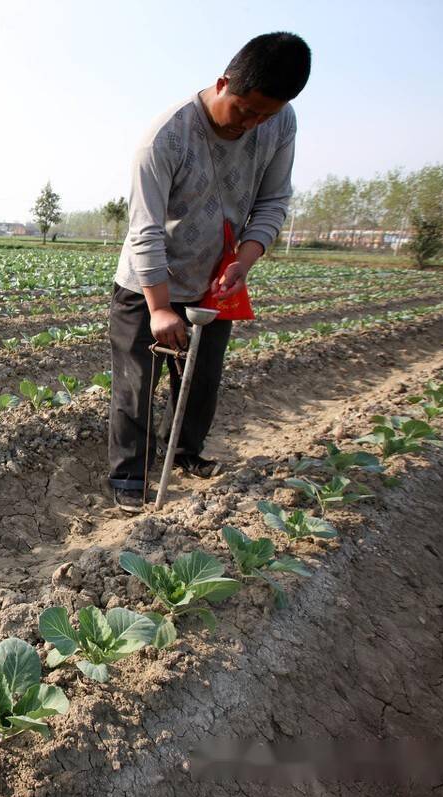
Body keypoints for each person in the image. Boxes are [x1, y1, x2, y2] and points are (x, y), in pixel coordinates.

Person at [108, 32, 311, 513]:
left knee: (200, 377)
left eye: (267, 114)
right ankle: (128, 476)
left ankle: (184, 453)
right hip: (147, 282)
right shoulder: (167, 136)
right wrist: (159, 307)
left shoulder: (280, 123)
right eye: (245, 110)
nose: (253, 123)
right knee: (138, 380)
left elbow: (273, 200)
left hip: (213, 277)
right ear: (223, 84)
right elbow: (145, 230)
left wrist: (245, 260)